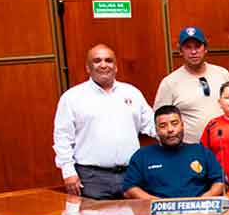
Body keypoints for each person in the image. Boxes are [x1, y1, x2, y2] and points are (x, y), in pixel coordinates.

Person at [52, 44, 155, 200]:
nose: (103, 65)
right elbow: (62, 138)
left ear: (116, 67)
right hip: (92, 179)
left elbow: (152, 125)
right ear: (88, 67)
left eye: (108, 60)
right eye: (97, 61)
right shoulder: (72, 97)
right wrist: (68, 172)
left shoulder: (132, 93)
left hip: (132, 175)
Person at [123, 105, 225, 199]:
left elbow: (219, 182)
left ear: (182, 125)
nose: (170, 129)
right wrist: (157, 203)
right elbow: (129, 188)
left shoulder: (201, 152)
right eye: (163, 126)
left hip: (198, 212)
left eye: (174, 123)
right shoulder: (142, 155)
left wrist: (201, 201)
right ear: (156, 130)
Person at [154, 26, 229, 143]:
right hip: (189, 150)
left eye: (197, 46)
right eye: (188, 47)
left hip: (226, 144)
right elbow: (159, 120)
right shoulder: (169, 83)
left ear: (205, 48)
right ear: (180, 51)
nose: (193, 52)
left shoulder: (222, 73)